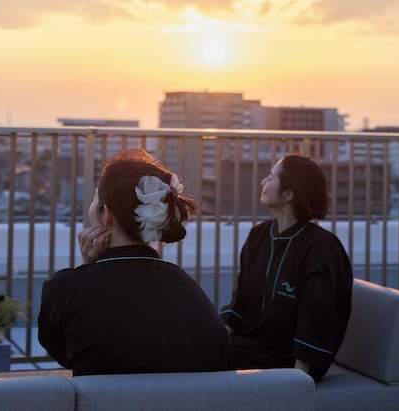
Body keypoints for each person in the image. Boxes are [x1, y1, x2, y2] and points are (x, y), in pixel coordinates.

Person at [38, 148, 230, 375]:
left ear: (106, 214)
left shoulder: (66, 288)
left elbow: (64, 351)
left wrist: (87, 269)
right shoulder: (186, 287)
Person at [221, 153, 353, 382]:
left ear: (288, 194)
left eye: (271, 177)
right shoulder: (259, 235)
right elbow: (240, 300)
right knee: (190, 345)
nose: (263, 182)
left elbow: (317, 316)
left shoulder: (321, 246)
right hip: (248, 345)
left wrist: (297, 381)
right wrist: (215, 336)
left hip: (287, 358)